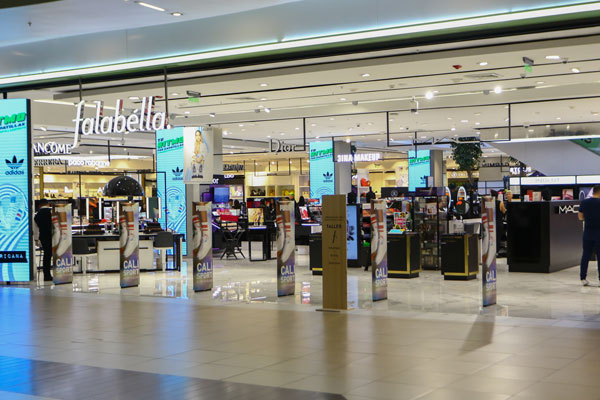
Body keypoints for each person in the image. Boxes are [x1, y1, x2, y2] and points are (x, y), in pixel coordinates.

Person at [579, 186, 600, 286]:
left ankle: (583, 278)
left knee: (585, 255)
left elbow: (580, 217)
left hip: (588, 232)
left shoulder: (584, 202)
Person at [34, 199, 53, 281]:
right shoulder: (52, 213)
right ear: (48, 204)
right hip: (53, 236)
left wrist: (36, 239)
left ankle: (47, 275)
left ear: (39, 206)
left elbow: (35, 229)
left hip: (43, 237)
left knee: (47, 255)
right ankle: (59, 274)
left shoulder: (37, 215)